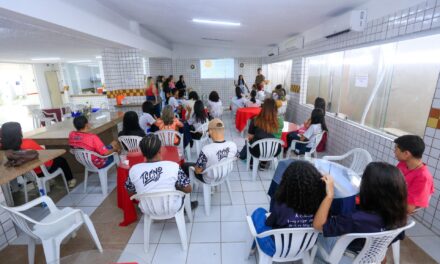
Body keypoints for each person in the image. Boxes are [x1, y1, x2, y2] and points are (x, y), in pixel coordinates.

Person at [313, 162, 408, 256]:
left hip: (345, 250)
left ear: (370, 188)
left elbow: (318, 225)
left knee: (315, 234)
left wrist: (330, 194)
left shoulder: (355, 218)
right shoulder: (400, 214)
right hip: (373, 250)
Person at [250, 161, 326, 256]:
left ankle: (252, 248)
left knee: (259, 212)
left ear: (287, 183)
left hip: (275, 248)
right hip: (304, 247)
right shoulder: (321, 207)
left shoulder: (281, 205)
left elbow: (268, 223)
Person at [125, 134, 198, 209]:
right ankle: (187, 208)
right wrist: (175, 186)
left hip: (147, 208)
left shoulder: (133, 170)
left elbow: (130, 192)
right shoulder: (173, 166)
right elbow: (188, 189)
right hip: (172, 207)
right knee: (179, 190)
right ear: (160, 150)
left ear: (142, 153)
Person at [1, 122, 77, 188]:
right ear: (18, 133)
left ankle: (15, 189)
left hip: (28, 174)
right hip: (41, 171)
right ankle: (70, 180)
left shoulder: (4, 148)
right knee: (61, 160)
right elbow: (44, 154)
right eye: (20, 129)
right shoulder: (27, 142)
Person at [182, 119, 237, 183]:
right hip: (225, 173)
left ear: (210, 131)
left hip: (209, 179)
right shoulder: (233, 145)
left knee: (185, 165)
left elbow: (198, 171)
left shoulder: (206, 150)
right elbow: (236, 157)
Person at [394, 135, 434, 214]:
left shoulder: (423, 178)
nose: (394, 151)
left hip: (396, 212)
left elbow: (408, 209)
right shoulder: (402, 164)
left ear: (406, 154)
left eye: (396, 148)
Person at [239, 98, 283, 170]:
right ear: (275, 109)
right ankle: (263, 163)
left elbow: (250, 137)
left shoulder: (255, 120)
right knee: (268, 142)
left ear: (263, 108)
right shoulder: (280, 121)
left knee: (252, 142)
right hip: (275, 150)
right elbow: (278, 135)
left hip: (258, 151)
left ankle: (252, 162)